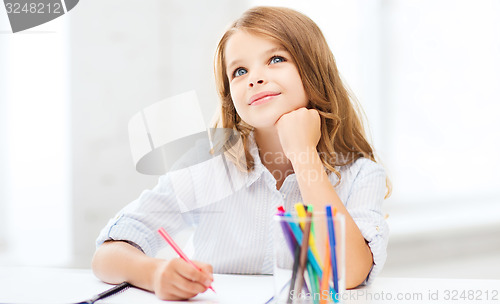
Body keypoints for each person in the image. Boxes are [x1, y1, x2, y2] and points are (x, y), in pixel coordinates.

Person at [92, 6, 391, 301]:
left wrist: (303, 155)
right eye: (240, 71)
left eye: (276, 59)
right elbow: (107, 254)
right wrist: (153, 274)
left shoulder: (361, 174)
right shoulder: (207, 165)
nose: (254, 78)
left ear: (314, 71)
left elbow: (349, 274)